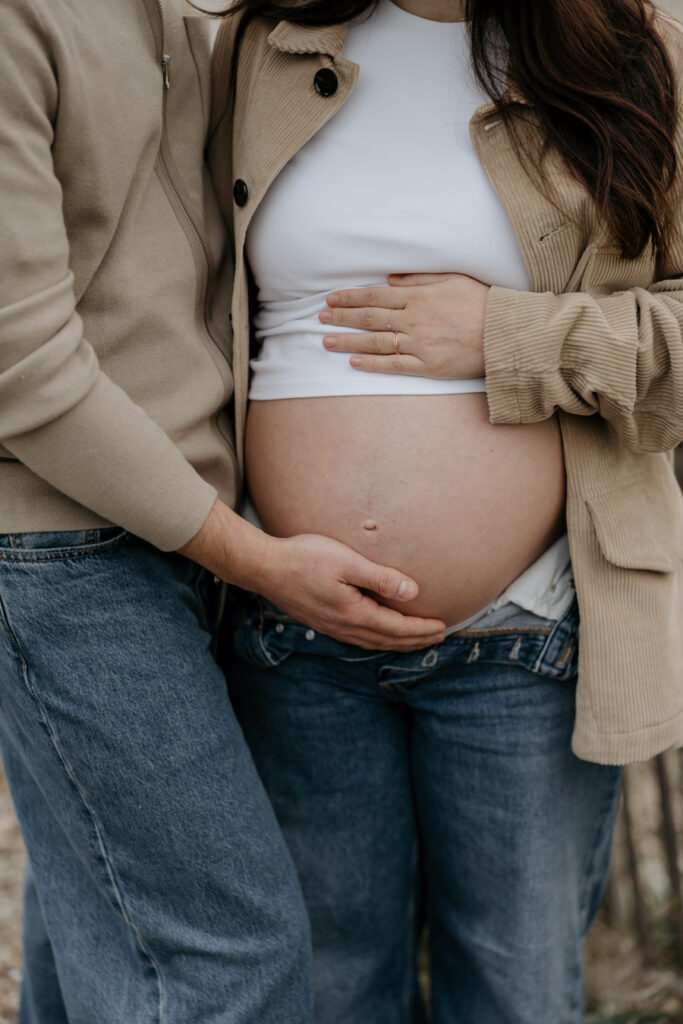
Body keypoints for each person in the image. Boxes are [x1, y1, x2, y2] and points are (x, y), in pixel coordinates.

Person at [208, 0, 683, 1020]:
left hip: (524, 636)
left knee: (513, 996)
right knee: (326, 992)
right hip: (293, 630)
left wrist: (508, 335)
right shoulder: (266, 46)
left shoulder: (634, 54)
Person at [0, 1, 446, 1020]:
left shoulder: (189, 15)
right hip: (62, 550)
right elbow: (19, 369)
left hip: (165, 541)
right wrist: (249, 555)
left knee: (99, 947)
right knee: (228, 961)